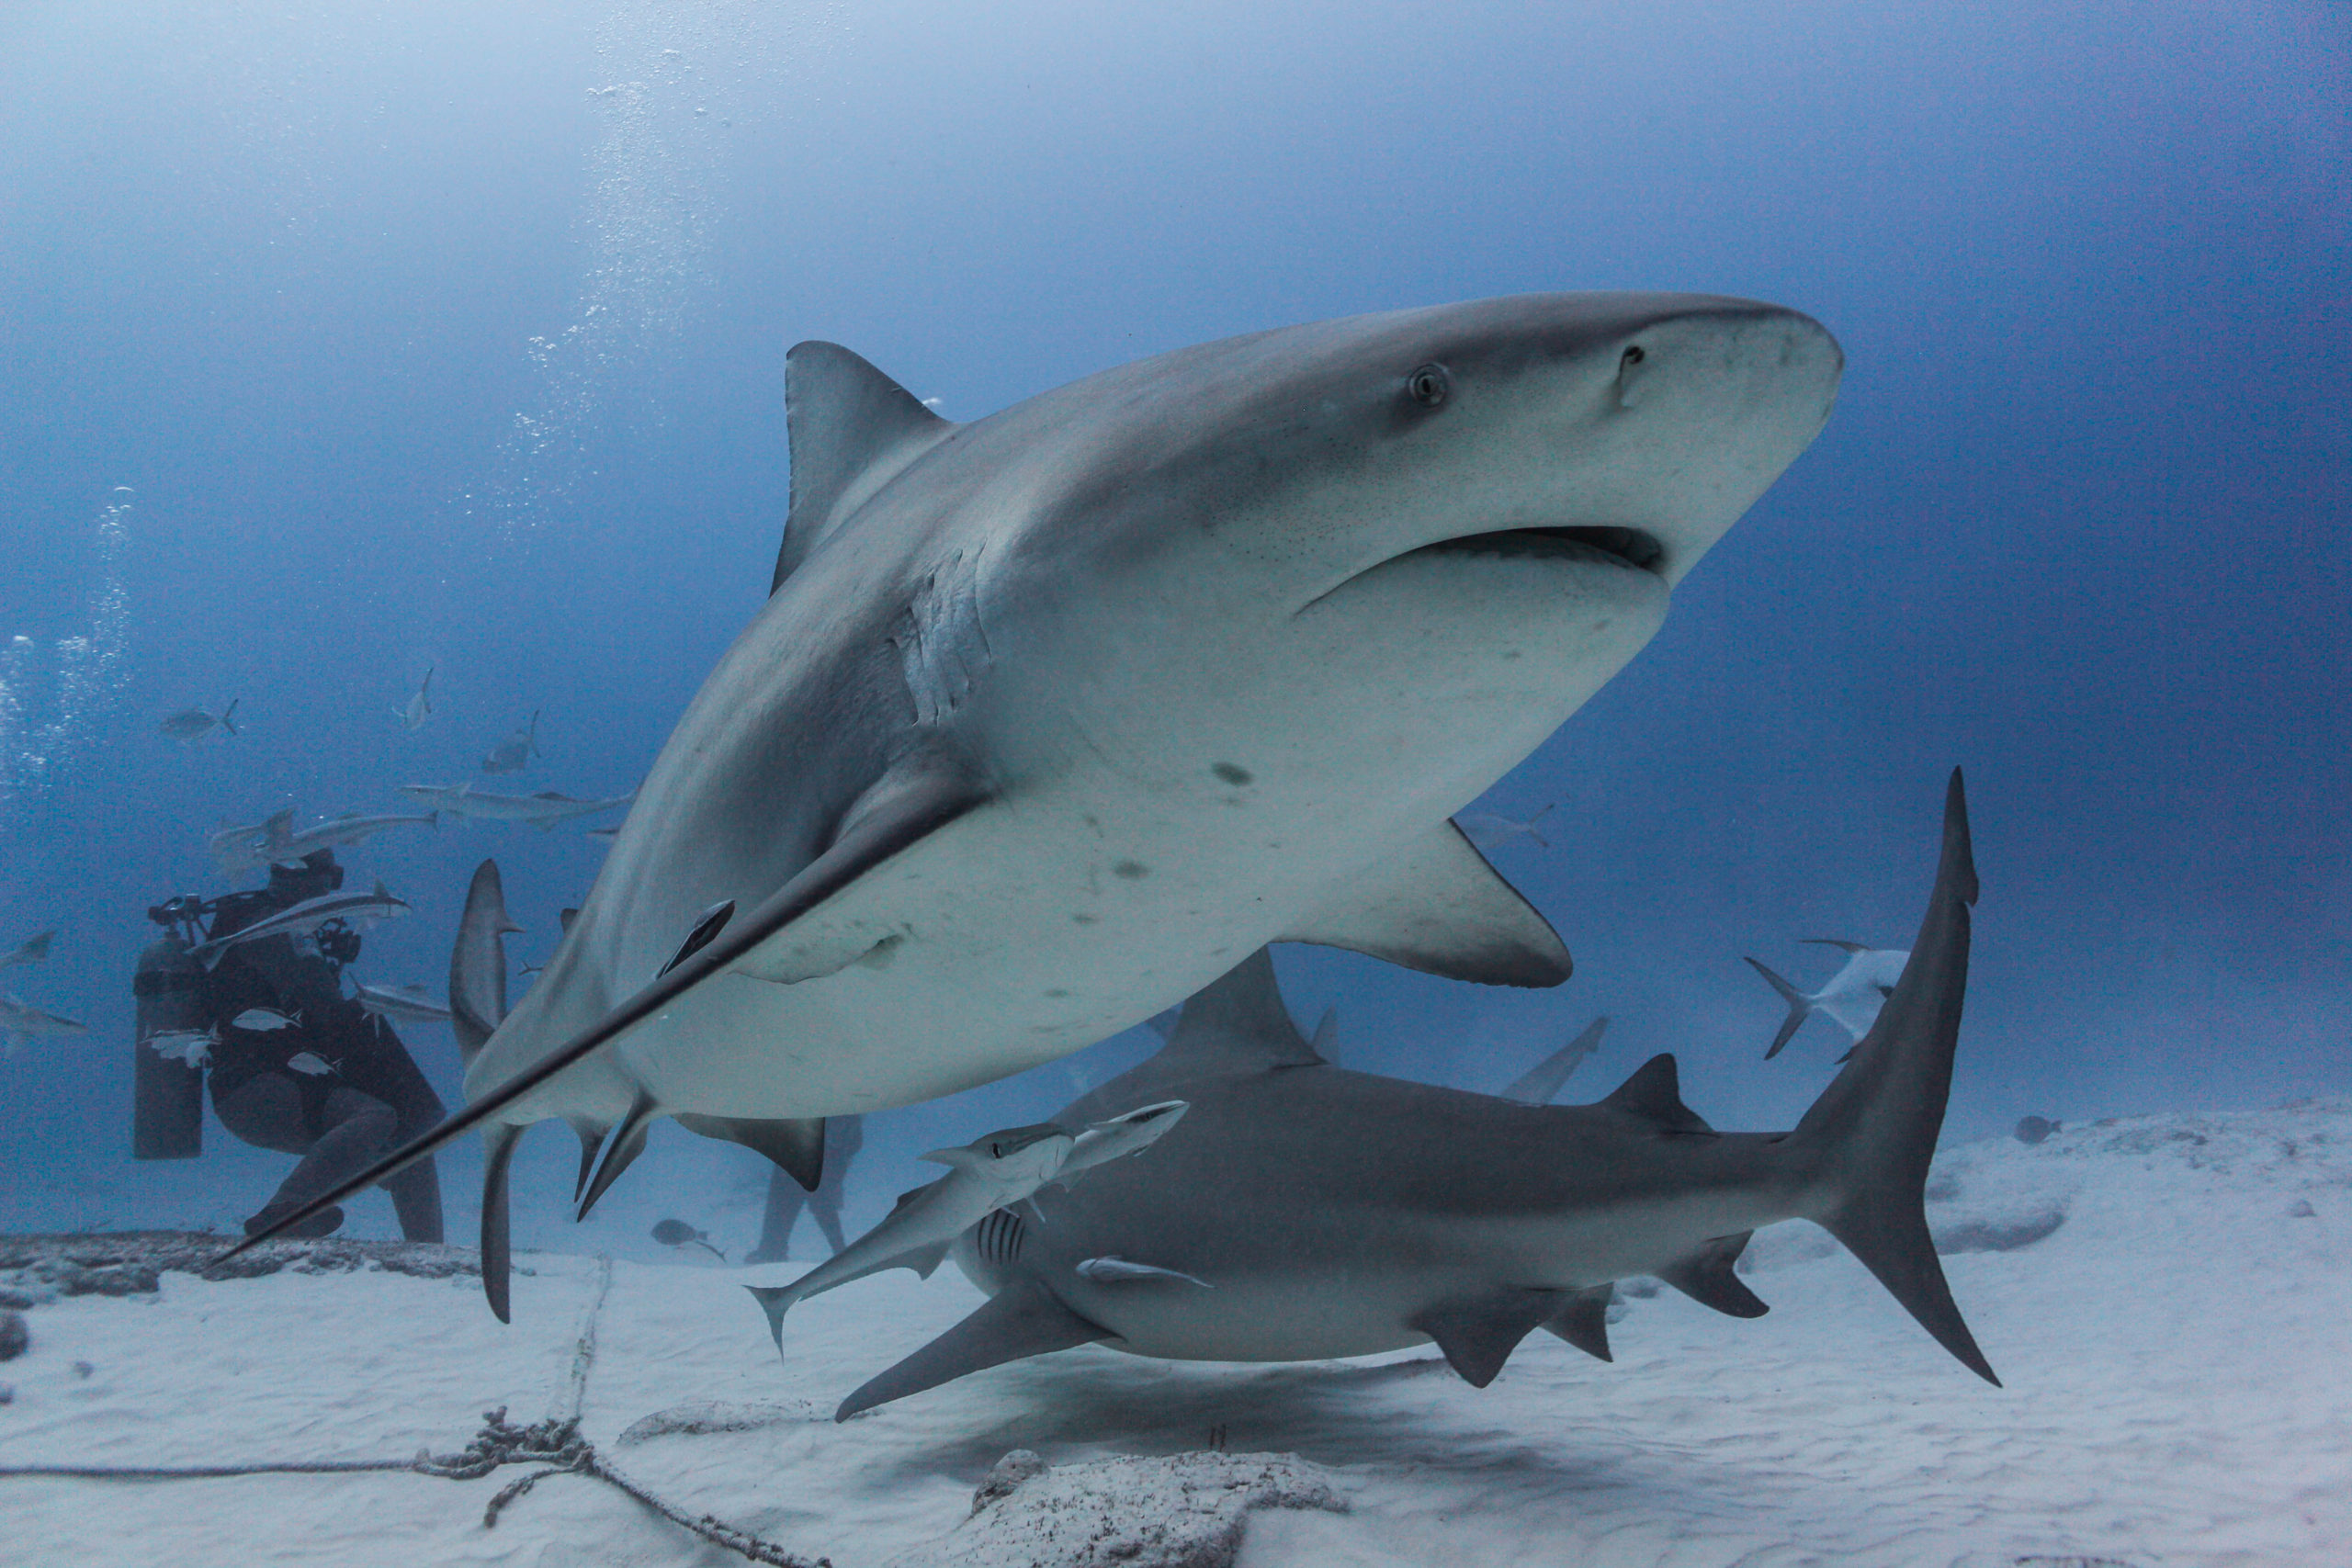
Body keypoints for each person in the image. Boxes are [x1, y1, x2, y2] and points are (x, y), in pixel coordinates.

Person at [131, 850, 445, 1242]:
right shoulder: (279, 929)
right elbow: (322, 1005)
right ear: (309, 881)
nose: (333, 895)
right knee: (377, 1117)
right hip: (259, 1089)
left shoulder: (253, 924)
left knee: (411, 1145)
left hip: (279, 1084)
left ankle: (431, 1255)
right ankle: (286, 1213)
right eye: (332, 881)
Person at [744, 1114, 862, 1264]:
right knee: (819, 1205)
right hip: (821, 1155)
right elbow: (853, 1143)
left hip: (809, 1152)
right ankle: (840, 1251)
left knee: (791, 1199)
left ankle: (772, 1250)